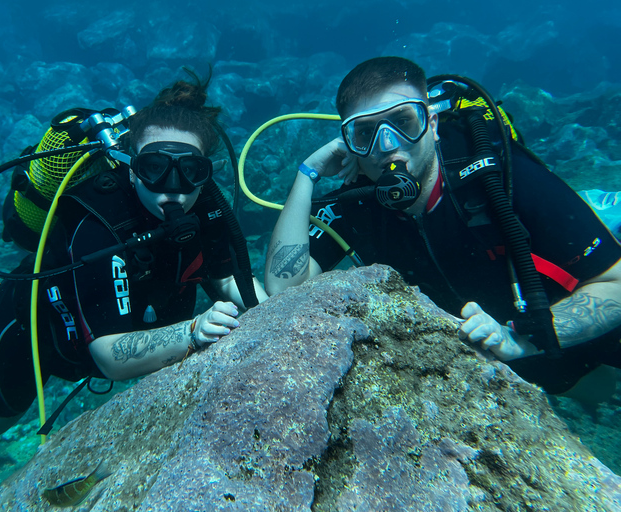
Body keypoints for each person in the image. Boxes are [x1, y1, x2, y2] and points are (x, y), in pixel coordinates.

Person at [0, 72, 268, 435]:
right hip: (36, 322)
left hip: (82, 297)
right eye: (155, 167)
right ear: (129, 167)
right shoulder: (96, 226)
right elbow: (108, 356)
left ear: (205, 172)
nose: (173, 186)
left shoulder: (207, 205)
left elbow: (226, 277)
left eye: (190, 170)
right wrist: (191, 331)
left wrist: (276, 312)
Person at [265, 56, 621, 396]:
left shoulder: (493, 174)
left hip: (561, 344)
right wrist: (307, 173)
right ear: (349, 143)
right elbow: (284, 290)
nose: (388, 146)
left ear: (432, 125)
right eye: (365, 133)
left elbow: (616, 280)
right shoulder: (357, 203)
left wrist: (519, 340)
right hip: (470, 379)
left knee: (600, 387)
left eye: (404, 122)